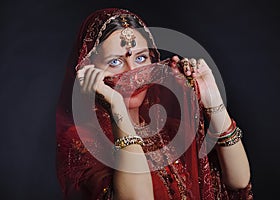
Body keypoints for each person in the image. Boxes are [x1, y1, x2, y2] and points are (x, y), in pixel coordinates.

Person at [56, 8, 253, 200]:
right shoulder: (83, 142)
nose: (133, 73)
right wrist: (117, 106)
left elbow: (238, 181)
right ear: (88, 71)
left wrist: (212, 98)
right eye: (115, 62)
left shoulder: (169, 130)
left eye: (141, 58)